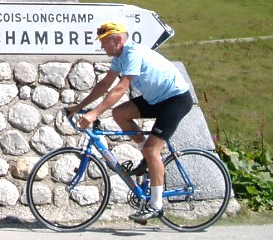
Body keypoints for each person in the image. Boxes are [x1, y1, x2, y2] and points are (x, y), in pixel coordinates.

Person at [66, 21, 193, 222]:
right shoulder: (119, 56)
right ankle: (146, 156)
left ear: (118, 40)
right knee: (120, 114)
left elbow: (121, 88)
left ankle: (156, 205)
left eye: (104, 42)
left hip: (175, 99)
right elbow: (105, 84)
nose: (101, 47)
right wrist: (79, 107)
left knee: (153, 150)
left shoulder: (132, 53)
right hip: (157, 99)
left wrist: (95, 113)